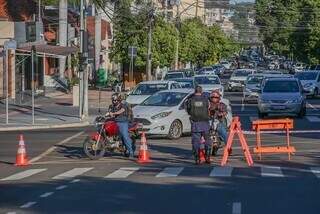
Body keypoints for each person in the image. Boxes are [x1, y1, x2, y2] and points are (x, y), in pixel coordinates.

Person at [186, 85, 212, 164]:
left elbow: (188, 110)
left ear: (195, 91)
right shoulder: (205, 100)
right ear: (201, 91)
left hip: (195, 123)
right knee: (207, 140)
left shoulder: (190, 100)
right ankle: (207, 157)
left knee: (196, 142)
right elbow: (208, 108)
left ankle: (197, 158)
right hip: (205, 123)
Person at [108, 93, 134, 158]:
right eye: (113, 100)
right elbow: (109, 112)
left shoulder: (124, 105)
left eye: (115, 100)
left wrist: (113, 113)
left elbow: (121, 111)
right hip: (115, 121)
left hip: (123, 122)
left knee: (125, 136)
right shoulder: (111, 106)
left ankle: (131, 152)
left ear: (119, 100)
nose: (114, 101)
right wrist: (107, 114)